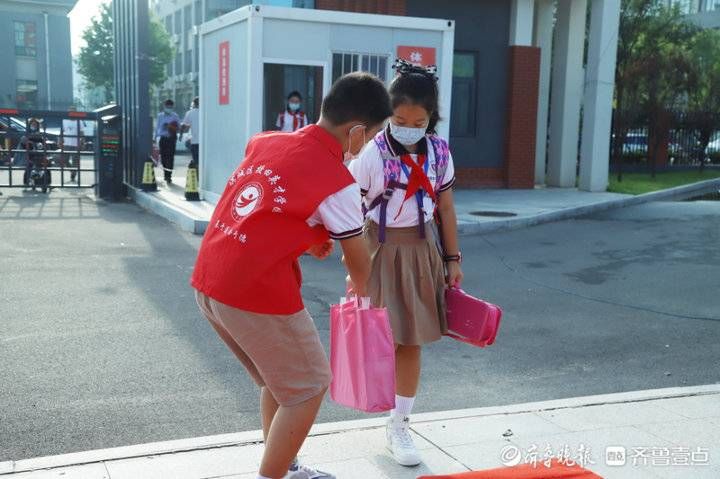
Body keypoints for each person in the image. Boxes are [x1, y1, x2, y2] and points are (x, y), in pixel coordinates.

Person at [190, 72, 393, 479]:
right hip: (256, 291)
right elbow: (357, 257)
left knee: (280, 381)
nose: (367, 146)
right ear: (355, 132)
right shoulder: (337, 181)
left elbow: (264, 210)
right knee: (309, 385)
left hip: (211, 281)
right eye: (370, 137)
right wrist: (365, 293)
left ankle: (287, 466)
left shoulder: (267, 141)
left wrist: (303, 240)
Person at [348, 60, 464, 468]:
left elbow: (445, 208)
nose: (408, 126)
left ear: (431, 119)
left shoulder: (440, 153)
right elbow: (349, 207)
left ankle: (400, 422)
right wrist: (354, 267)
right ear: (388, 115)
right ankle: (382, 412)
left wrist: (452, 259)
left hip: (421, 251)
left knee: (411, 339)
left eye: (419, 120)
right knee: (383, 340)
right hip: (377, 249)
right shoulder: (371, 153)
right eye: (399, 119)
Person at [155, 99, 180, 184]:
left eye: (170, 107)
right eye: (167, 106)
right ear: (164, 106)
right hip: (163, 138)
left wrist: (170, 127)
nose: (169, 108)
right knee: (163, 157)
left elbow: (178, 128)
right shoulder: (160, 116)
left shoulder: (175, 116)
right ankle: (165, 173)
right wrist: (155, 138)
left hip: (171, 138)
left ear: (172, 107)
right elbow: (157, 127)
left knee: (170, 157)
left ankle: (168, 176)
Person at [61, 108, 85, 183]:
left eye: (73, 112)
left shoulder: (79, 121)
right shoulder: (64, 121)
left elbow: (82, 133)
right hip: (66, 143)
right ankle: (73, 171)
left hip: (76, 144)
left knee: (75, 161)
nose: (71, 113)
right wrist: (59, 141)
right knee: (65, 160)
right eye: (70, 112)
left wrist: (82, 142)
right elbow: (61, 131)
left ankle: (73, 175)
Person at [181, 97, 200, 172]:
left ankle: (198, 176)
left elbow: (184, 126)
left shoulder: (190, 113)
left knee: (196, 160)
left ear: (194, 104)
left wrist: (181, 135)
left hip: (195, 141)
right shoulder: (206, 111)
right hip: (205, 143)